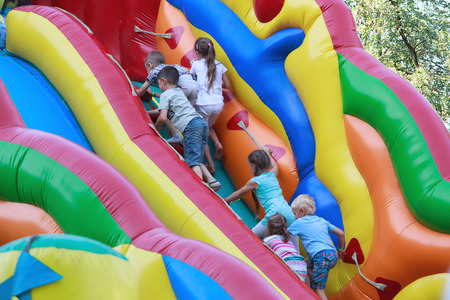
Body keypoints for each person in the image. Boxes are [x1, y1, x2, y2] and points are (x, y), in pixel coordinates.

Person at [154, 65, 221, 191]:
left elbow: (162, 117)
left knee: (192, 161)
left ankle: (199, 188)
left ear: (163, 81)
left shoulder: (165, 95)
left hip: (191, 127)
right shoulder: (179, 91)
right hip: (201, 123)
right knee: (195, 156)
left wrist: (155, 129)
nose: (158, 86)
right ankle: (212, 181)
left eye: (158, 83)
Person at [224, 149, 296, 242]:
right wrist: (268, 154)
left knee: (252, 237)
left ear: (253, 166)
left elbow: (239, 193)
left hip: (274, 214)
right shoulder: (272, 175)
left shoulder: (255, 181)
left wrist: (227, 200)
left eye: (249, 166)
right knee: (295, 252)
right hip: (290, 215)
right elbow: (275, 167)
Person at [287, 194, 345, 300]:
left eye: (295, 214)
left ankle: (314, 289)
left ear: (302, 211)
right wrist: (340, 250)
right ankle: (309, 289)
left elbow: (284, 234)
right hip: (332, 255)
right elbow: (341, 233)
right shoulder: (321, 220)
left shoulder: (299, 222)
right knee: (302, 263)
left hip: (321, 257)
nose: (294, 217)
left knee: (319, 289)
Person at [137, 51, 198, 144]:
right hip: (195, 86)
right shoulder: (171, 69)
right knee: (186, 114)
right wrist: (153, 93)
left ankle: (176, 135)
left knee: (167, 110)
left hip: (183, 85)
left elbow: (140, 93)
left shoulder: (154, 71)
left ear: (150, 65)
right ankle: (190, 140)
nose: (148, 73)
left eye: (147, 70)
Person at [191, 37, 230, 174]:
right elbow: (228, 85)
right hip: (218, 104)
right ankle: (218, 144)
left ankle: (210, 165)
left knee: (202, 133)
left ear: (197, 52)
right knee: (209, 127)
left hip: (203, 104)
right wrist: (218, 85)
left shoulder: (196, 65)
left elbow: (192, 82)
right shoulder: (219, 65)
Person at [264, 213, 309, 284]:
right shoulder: (288, 241)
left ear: (269, 228)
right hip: (303, 270)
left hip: (290, 270)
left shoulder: (268, 240)